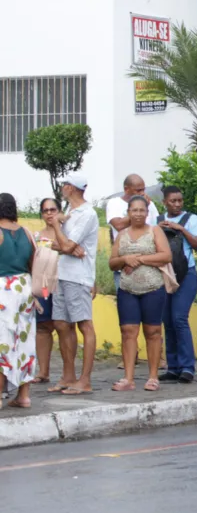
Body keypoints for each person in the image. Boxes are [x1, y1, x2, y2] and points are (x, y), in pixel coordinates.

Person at [108, 196, 171, 392]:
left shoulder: (155, 231)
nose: (138, 214)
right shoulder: (122, 234)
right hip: (127, 290)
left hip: (153, 289)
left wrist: (139, 259)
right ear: (128, 212)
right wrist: (125, 259)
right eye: (134, 210)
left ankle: (153, 377)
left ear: (147, 212)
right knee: (128, 332)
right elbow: (112, 262)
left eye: (141, 210)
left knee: (152, 332)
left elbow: (166, 256)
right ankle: (128, 378)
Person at [46, 174, 98, 396]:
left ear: (74, 188)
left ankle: (85, 380)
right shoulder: (70, 213)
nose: (63, 188)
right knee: (61, 323)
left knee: (84, 325)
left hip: (79, 277)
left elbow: (66, 245)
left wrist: (58, 225)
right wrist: (67, 245)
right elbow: (60, 245)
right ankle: (69, 376)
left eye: (66, 185)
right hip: (63, 274)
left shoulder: (86, 214)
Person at [158, 186, 197, 384]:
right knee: (167, 321)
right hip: (164, 274)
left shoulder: (191, 219)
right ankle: (173, 366)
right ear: (165, 203)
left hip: (186, 275)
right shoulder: (157, 220)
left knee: (179, 319)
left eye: (180, 201)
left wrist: (181, 229)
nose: (177, 204)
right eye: (173, 201)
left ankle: (187, 367)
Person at [0, 194, 38, 410]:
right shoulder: (26, 232)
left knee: (2, 341)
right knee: (25, 340)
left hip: (3, 288)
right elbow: (33, 262)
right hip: (24, 286)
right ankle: (24, 395)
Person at [106, 173, 160, 294]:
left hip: (149, 267)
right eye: (138, 190)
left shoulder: (150, 205)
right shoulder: (114, 203)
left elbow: (157, 228)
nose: (142, 193)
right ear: (126, 189)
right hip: (124, 268)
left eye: (143, 189)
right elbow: (118, 225)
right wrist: (137, 212)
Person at [30, 199, 61, 385]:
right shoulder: (36, 236)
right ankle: (43, 372)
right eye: (45, 210)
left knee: (64, 327)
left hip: (64, 283)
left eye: (53, 209)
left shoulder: (67, 234)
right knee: (42, 327)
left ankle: (68, 374)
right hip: (43, 287)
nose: (49, 213)